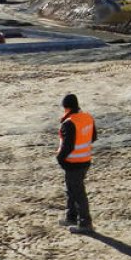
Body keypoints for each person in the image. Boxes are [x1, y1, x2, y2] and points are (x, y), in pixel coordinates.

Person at [57, 93, 97, 234]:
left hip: (73, 163)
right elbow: (93, 137)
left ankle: (85, 223)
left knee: (78, 193)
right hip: (85, 161)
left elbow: (68, 147)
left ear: (66, 107)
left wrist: (60, 159)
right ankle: (71, 217)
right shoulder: (88, 117)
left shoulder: (69, 123)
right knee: (72, 190)